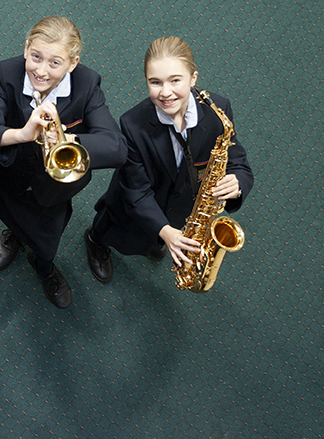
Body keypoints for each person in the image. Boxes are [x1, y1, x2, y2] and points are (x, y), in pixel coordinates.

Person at [0, 16, 127, 309]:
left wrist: (67, 140)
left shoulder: (87, 84)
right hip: (10, 174)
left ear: (72, 63)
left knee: (47, 242)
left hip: (54, 189)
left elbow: (116, 147)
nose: (41, 71)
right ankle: (14, 233)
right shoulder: (7, 73)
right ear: (26, 48)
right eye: (36, 56)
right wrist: (22, 133)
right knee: (9, 211)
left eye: (55, 63)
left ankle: (45, 267)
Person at [83, 36, 254, 283]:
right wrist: (164, 230)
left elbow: (235, 156)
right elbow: (136, 191)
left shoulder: (219, 110)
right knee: (113, 230)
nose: (165, 92)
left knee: (156, 238)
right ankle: (95, 243)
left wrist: (238, 180)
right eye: (155, 82)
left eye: (175, 80)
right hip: (135, 206)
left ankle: (159, 237)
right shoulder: (132, 125)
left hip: (182, 208)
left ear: (193, 78)